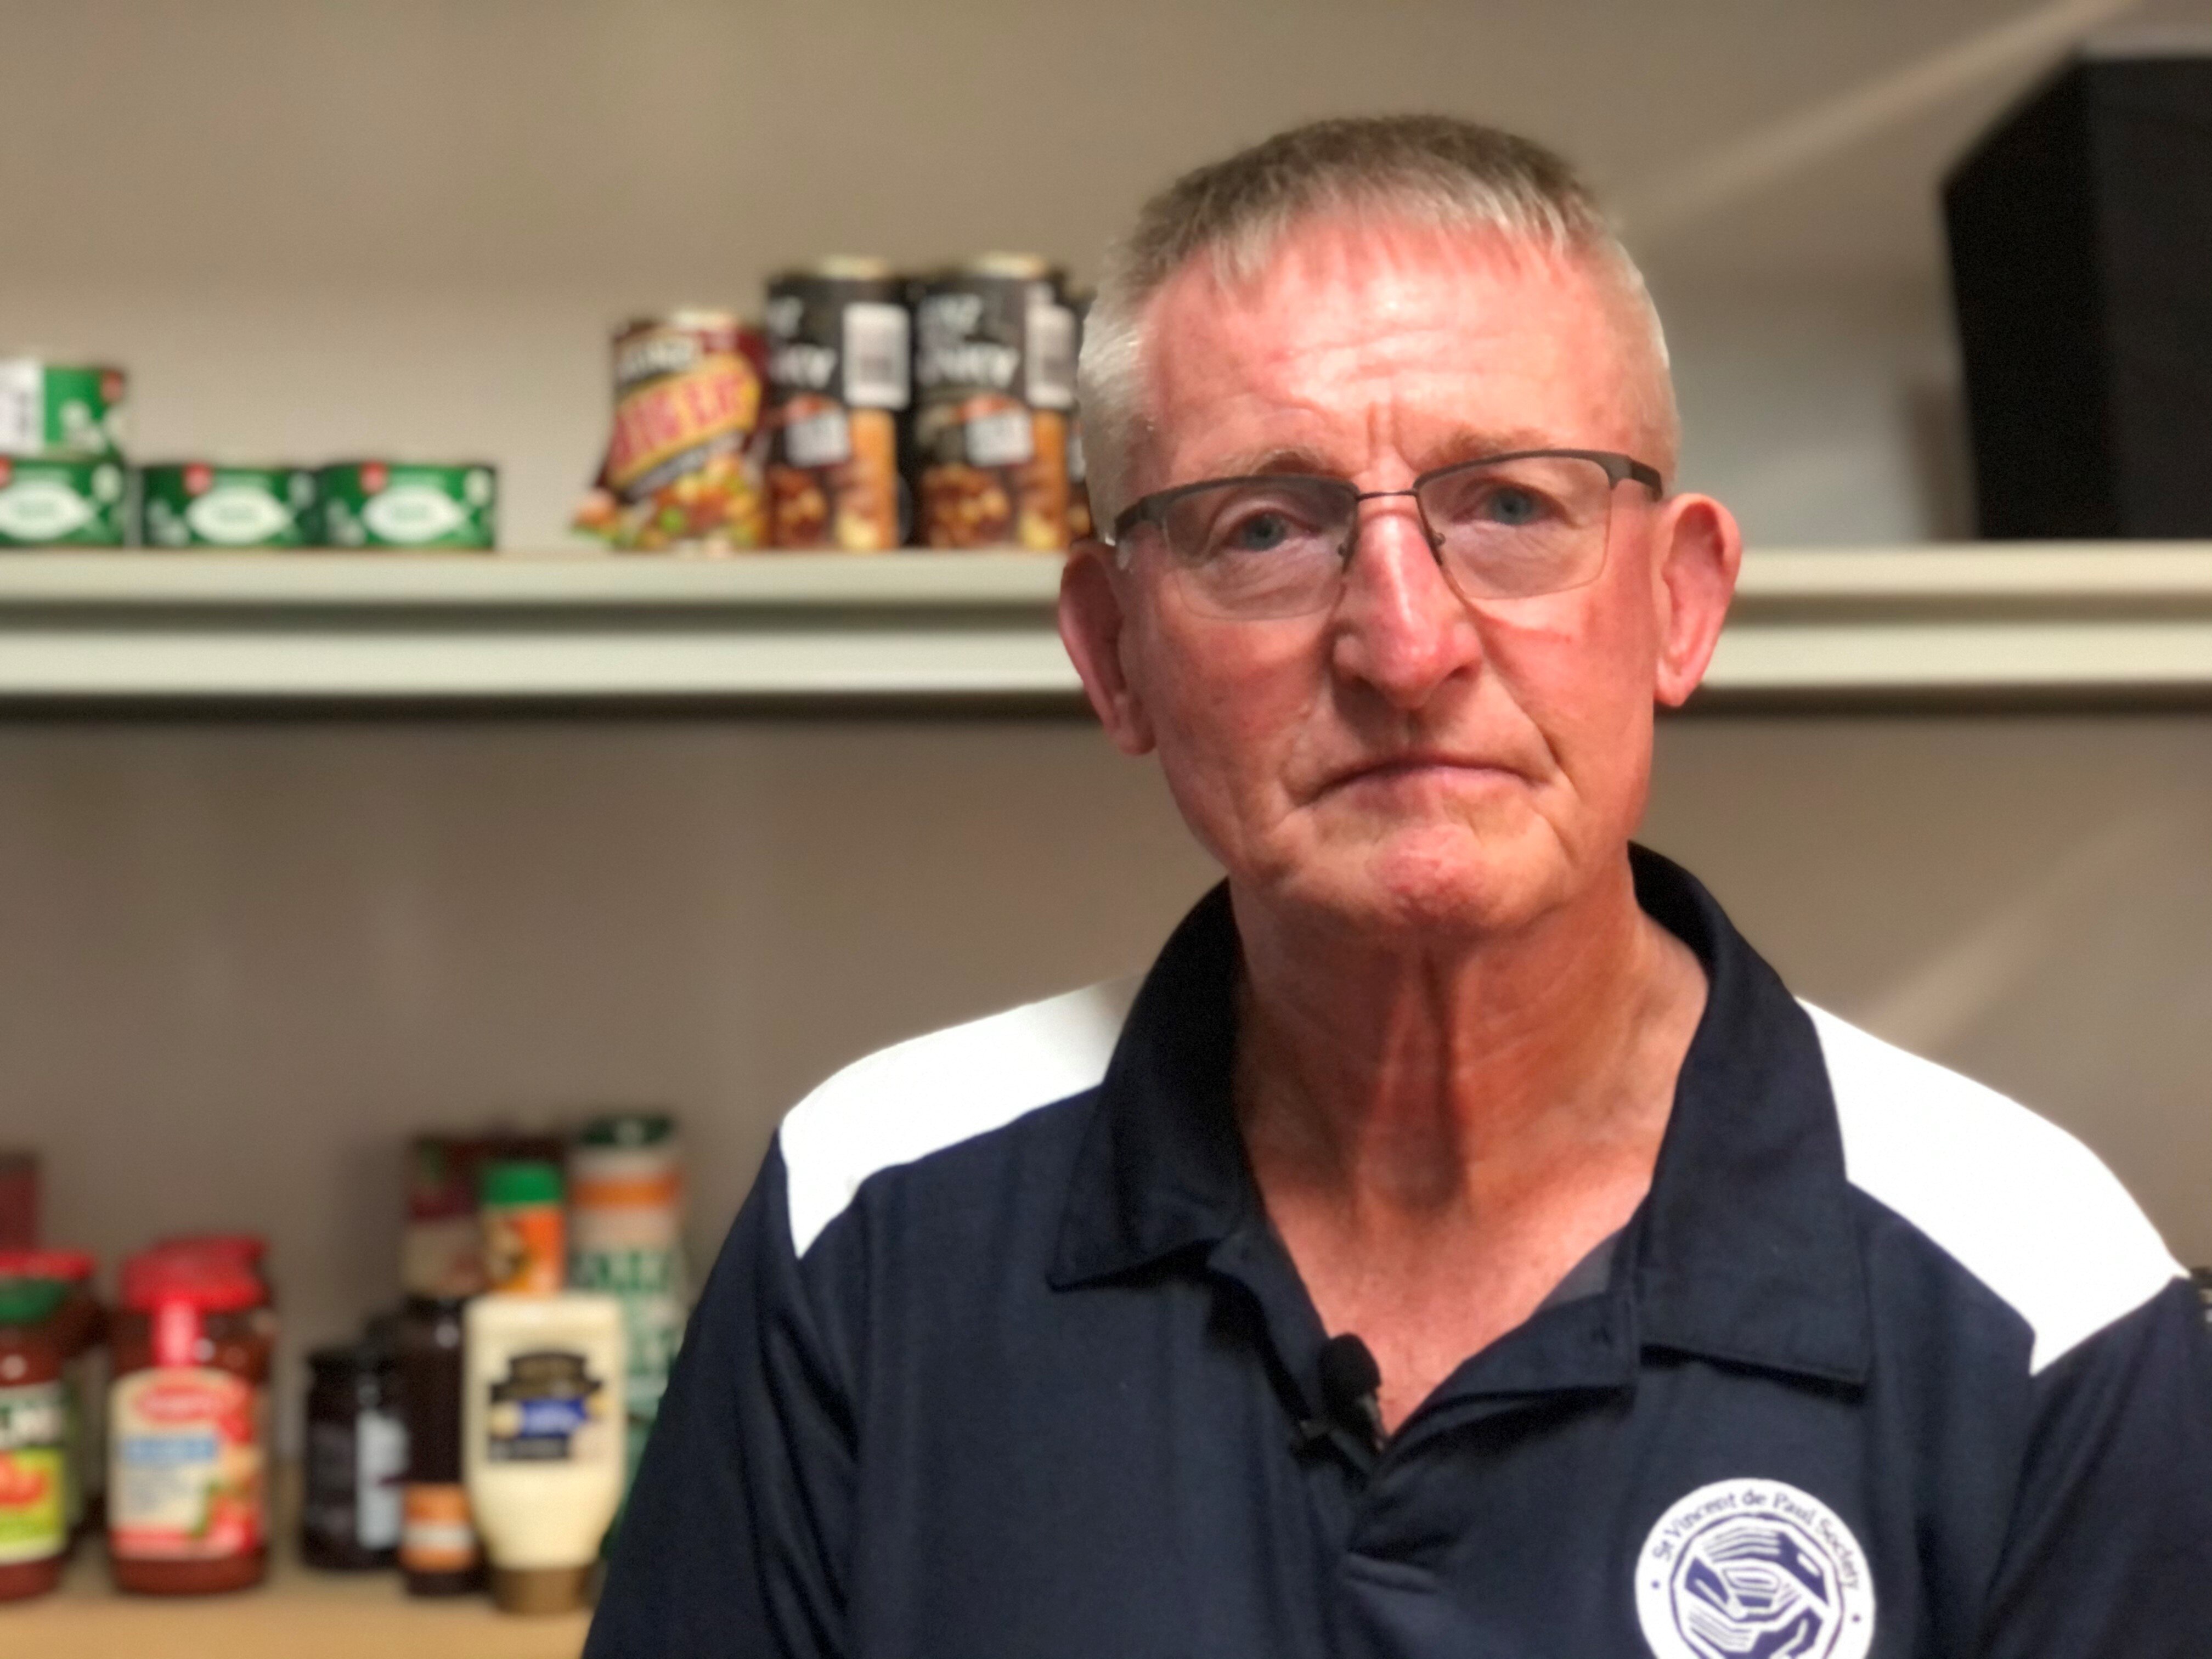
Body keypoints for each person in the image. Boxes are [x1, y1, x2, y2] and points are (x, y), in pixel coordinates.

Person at [586, 116, 2212, 1659]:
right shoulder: (869, 1222)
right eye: (1268, 529)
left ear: (1680, 602)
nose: (1404, 646)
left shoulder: (2036, 1289)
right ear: (1113, 652)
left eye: (1511, 505)